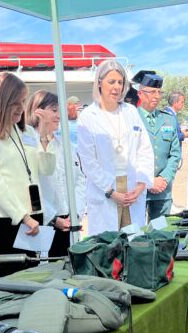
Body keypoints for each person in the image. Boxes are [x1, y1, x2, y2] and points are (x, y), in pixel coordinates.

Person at [0, 72, 56, 277]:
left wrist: (45, 136)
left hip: (33, 215)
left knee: (34, 276)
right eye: (15, 102)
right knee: (12, 280)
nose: (21, 107)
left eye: (23, 101)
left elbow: (46, 170)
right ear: (1, 102)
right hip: (6, 220)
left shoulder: (26, 132)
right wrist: (23, 217)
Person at [77, 60, 154, 235]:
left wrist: (141, 185)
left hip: (132, 188)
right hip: (106, 189)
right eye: (111, 82)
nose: (116, 87)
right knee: (108, 247)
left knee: (134, 242)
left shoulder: (131, 112)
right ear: (99, 83)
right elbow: (88, 161)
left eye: (120, 82)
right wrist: (110, 191)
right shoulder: (88, 117)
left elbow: (145, 150)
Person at [26, 90, 86, 256]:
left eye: (60, 111)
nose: (59, 116)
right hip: (41, 222)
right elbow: (29, 187)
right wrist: (52, 218)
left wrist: (77, 213)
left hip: (69, 221)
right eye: (54, 110)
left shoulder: (64, 146)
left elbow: (79, 180)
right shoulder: (28, 145)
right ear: (38, 111)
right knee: (43, 271)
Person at [136, 74, 181, 220]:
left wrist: (164, 178)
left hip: (163, 189)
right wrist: (149, 181)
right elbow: (126, 156)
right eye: (151, 92)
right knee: (137, 236)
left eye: (159, 92)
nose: (156, 96)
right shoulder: (131, 118)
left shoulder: (168, 119)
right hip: (138, 189)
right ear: (140, 94)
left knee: (161, 235)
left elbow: (175, 154)